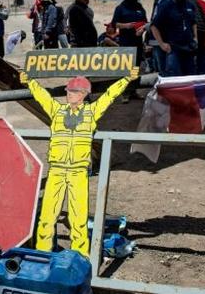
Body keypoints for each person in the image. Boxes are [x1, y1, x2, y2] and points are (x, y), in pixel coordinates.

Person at [20, 68, 138, 257]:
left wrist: (126, 79)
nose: (69, 95)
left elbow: (109, 95)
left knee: (78, 219)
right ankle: (43, 256)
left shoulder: (92, 112)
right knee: (47, 218)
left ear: (83, 94)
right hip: (56, 170)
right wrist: (29, 82)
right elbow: (42, 96)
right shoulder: (57, 111)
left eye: (74, 92)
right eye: (68, 91)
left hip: (78, 172)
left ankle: (80, 258)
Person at [150, 0, 197, 77]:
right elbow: (154, 26)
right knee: (175, 79)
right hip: (174, 49)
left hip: (189, 49)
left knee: (190, 77)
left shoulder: (190, 5)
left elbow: (193, 22)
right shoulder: (166, 6)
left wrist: (196, 38)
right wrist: (162, 44)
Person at [111, 0, 148, 98]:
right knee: (126, 67)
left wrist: (142, 29)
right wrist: (126, 26)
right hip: (126, 42)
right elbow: (114, 24)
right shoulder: (120, 8)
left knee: (135, 68)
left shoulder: (140, 7)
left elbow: (145, 22)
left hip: (137, 41)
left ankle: (134, 90)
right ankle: (125, 92)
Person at [146, 0, 171, 73]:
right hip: (157, 40)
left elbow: (158, 21)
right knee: (159, 68)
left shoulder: (164, 1)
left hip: (162, 40)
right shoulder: (159, 0)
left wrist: (145, 27)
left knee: (163, 69)